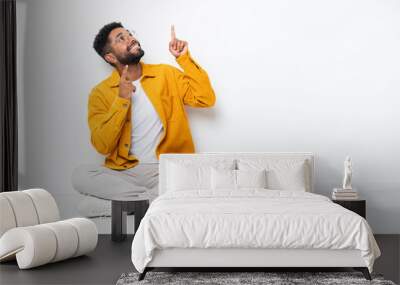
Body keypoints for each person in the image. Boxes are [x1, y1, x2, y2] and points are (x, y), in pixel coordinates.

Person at [71, 22, 215, 214]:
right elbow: (102, 145)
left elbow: (206, 98)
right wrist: (121, 100)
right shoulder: (100, 93)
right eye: (121, 38)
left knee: (196, 179)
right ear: (110, 56)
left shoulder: (166, 74)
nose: (130, 38)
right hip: (124, 172)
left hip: (163, 170)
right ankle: (152, 202)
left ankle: (126, 204)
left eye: (129, 34)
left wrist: (184, 59)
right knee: (80, 175)